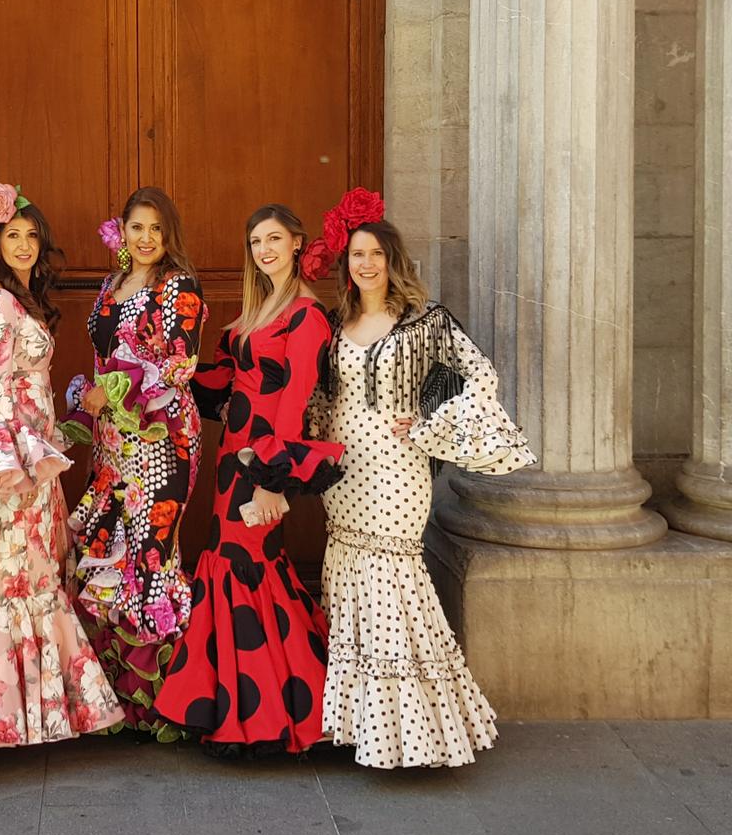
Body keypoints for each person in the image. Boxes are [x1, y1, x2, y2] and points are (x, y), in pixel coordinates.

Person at [311, 187, 536, 768]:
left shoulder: (425, 321)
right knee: (350, 575)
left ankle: (415, 733)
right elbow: (320, 397)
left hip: (397, 467)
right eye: (356, 255)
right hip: (344, 469)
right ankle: (362, 726)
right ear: (347, 264)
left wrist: (433, 423)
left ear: (392, 261)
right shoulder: (335, 322)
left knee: (394, 577)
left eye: (375, 255)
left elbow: (480, 375)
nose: (365, 264)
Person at [152, 204, 344, 756]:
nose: (264, 250)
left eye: (274, 238)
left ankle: (270, 715)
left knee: (249, 569)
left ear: (297, 243)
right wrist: (167, 372)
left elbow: (293, 400)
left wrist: (271, 481)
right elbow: (228, 380)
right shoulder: (259, 311)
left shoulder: (307, 316)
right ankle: (234, 707)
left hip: (260, 466)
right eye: (256, 240)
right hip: (232, 460)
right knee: (231, 566)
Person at [0, 182, 123, 746]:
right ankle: (14, 714)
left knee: (41, 566)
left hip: (41, 450)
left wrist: (48, 441)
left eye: (32, 236)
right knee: (17, 572)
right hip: (19, 457)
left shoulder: (25, 299)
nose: (24, 244)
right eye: (13, 236)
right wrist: (20, 457)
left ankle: (50, 709)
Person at [61, 187, 206, 740]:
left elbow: (176, 369)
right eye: (136, 228)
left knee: (151, 553)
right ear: (121, 232)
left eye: (156, 229)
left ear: (168, 236)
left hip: (162, 440)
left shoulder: (179, 287)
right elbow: (102, 359)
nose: (145, 239)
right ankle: (116, 697)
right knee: (111, 549)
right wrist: (90, 400)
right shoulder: (109, 286)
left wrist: (115, 397)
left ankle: (167, 701)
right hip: (112, 445)